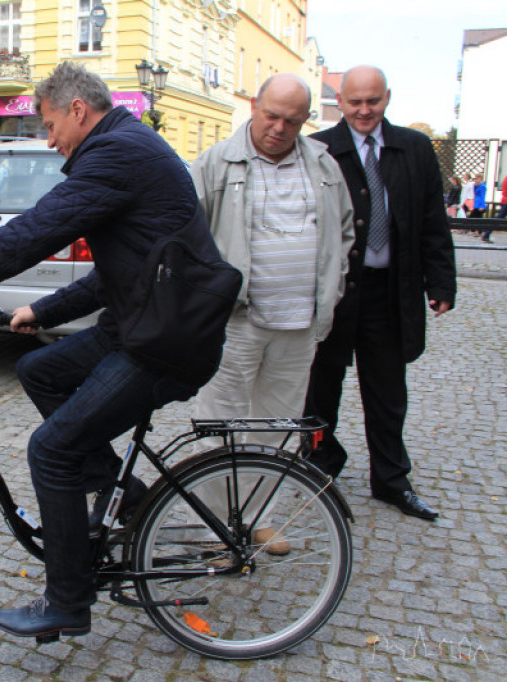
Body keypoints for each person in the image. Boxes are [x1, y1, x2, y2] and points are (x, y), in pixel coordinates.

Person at [0, 62, 209, 639]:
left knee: (51, 452)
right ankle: (127, 494)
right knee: (41, 368)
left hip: (163, 342)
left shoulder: (116, 153)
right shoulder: (125, 147)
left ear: (78, 111)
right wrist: (42, 311)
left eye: (49, 123)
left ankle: (67, 600)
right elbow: (121, 270)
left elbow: (35, 231)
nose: (48, 138)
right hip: (142, 323)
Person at [188, 74, 354, 553]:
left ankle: (258, 518)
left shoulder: (323, 165)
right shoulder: (217, 162)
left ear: (305, 121)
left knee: (276, 425)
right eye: (272, 115)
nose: (279, 128)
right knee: (220, 423)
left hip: (300, 323)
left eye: (292, 120)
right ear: (254, 107)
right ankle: (215, 525)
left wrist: (333, 285)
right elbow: (187, 228)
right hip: (236, 322)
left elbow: (343, 234)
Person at [304, 66, 457, 520]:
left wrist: (441, 281)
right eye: (355, 102)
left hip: (390, 291)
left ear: (387, 97)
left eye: (373, 101)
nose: (365, 110)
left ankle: (391, 479)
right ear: (341, 100)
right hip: (335, 291)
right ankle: (319, 463)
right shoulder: (319, 149)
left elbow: (433, 219)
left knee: (388, 391)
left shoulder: (413, 148)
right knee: (320, 387)